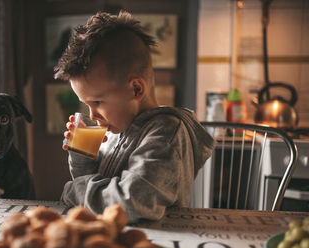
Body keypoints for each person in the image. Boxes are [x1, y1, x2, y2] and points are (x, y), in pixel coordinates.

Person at [54, 10, 214, 223]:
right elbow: (96, 190)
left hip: (153, 244)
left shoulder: (167, 133)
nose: (92, 114)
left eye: (98, 102)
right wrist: (82, 157)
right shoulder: (117, 127)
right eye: (86, 105)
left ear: (136, 89)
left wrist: (74, 190)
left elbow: (133, 202)